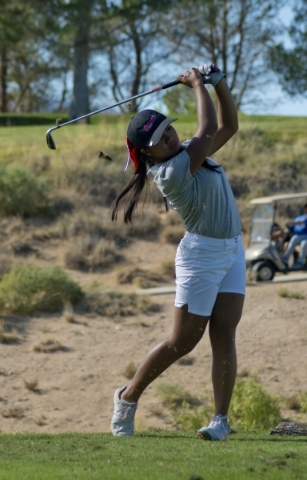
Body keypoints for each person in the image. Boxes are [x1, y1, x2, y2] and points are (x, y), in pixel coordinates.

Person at [110, 63, 245, 441]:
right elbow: (205, 130)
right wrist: (197, 85)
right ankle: (127, 397)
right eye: (158, 136)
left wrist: (220, 84)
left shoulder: (186, 151)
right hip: (201, 256)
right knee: (183, 342)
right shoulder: (169, 172)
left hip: (233, 249)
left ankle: (220, 420)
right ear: (146, 151)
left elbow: (227, 127)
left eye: (168, 127)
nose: (169, 136)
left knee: (225, 334)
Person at [281, 204, 307, 269]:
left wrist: (293, 223)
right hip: (298, 237)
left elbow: (302, 223)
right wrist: (288, 225)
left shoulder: (303, 220)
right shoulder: (300, 217)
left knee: (303, 243)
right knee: (290, 240)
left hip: (305, 236)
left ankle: (300, 262)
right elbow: (291, 226)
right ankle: (286, 258)